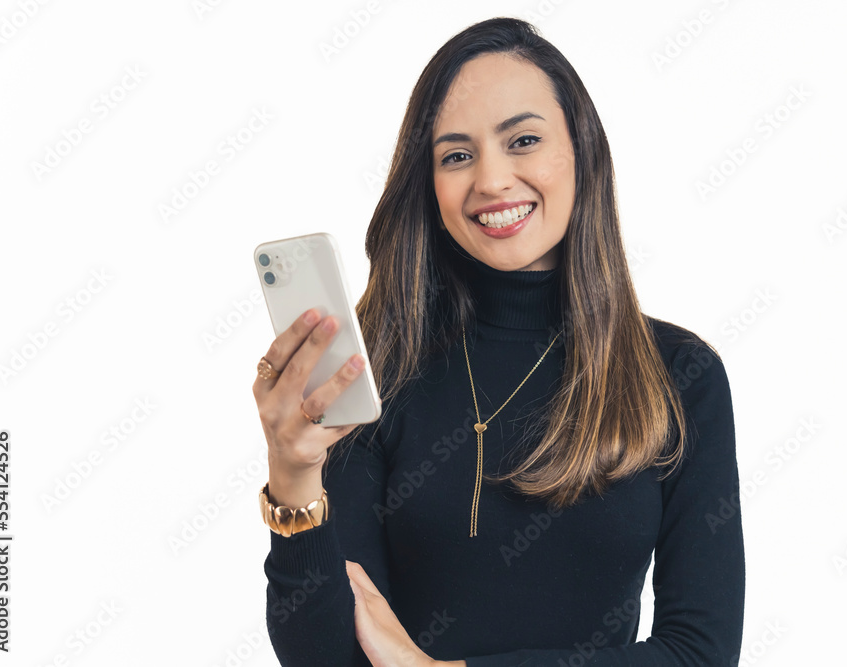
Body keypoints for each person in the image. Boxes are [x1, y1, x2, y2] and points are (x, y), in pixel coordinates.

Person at [253, 16, 745, 667]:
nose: (491, 180)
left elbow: (701, 653)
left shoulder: (678, 374)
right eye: (457, 155)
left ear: (582, 151)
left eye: (523, 140)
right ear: (429, 186)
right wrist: (292, 475)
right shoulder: (378, 372)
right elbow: (329, 658)